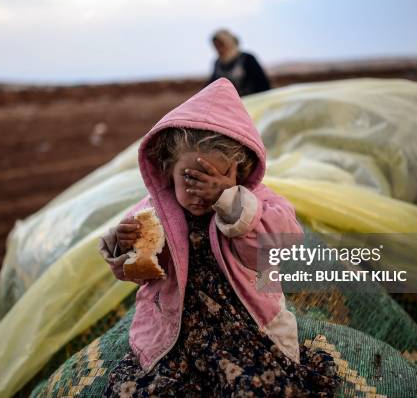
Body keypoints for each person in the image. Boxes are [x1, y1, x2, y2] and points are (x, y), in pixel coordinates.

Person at [98, 78, 337, 396]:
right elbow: (141, 273)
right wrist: (123, 247)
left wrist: (229, 203)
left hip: (241, 325)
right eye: (191, 177)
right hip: (177, 328)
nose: (203, 190)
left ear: (240, 171)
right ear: (168, 169)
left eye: (219, 177)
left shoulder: (261, 203)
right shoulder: (154, 211)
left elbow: (266, 251)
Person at [206, 29, 271, 97]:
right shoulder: (217, 63)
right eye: (216, 46)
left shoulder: (247, 58)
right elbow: (212, 86)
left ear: (229, 43)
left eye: (221, 45)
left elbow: (263, 84)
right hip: (229, 104)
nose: (219, 49)